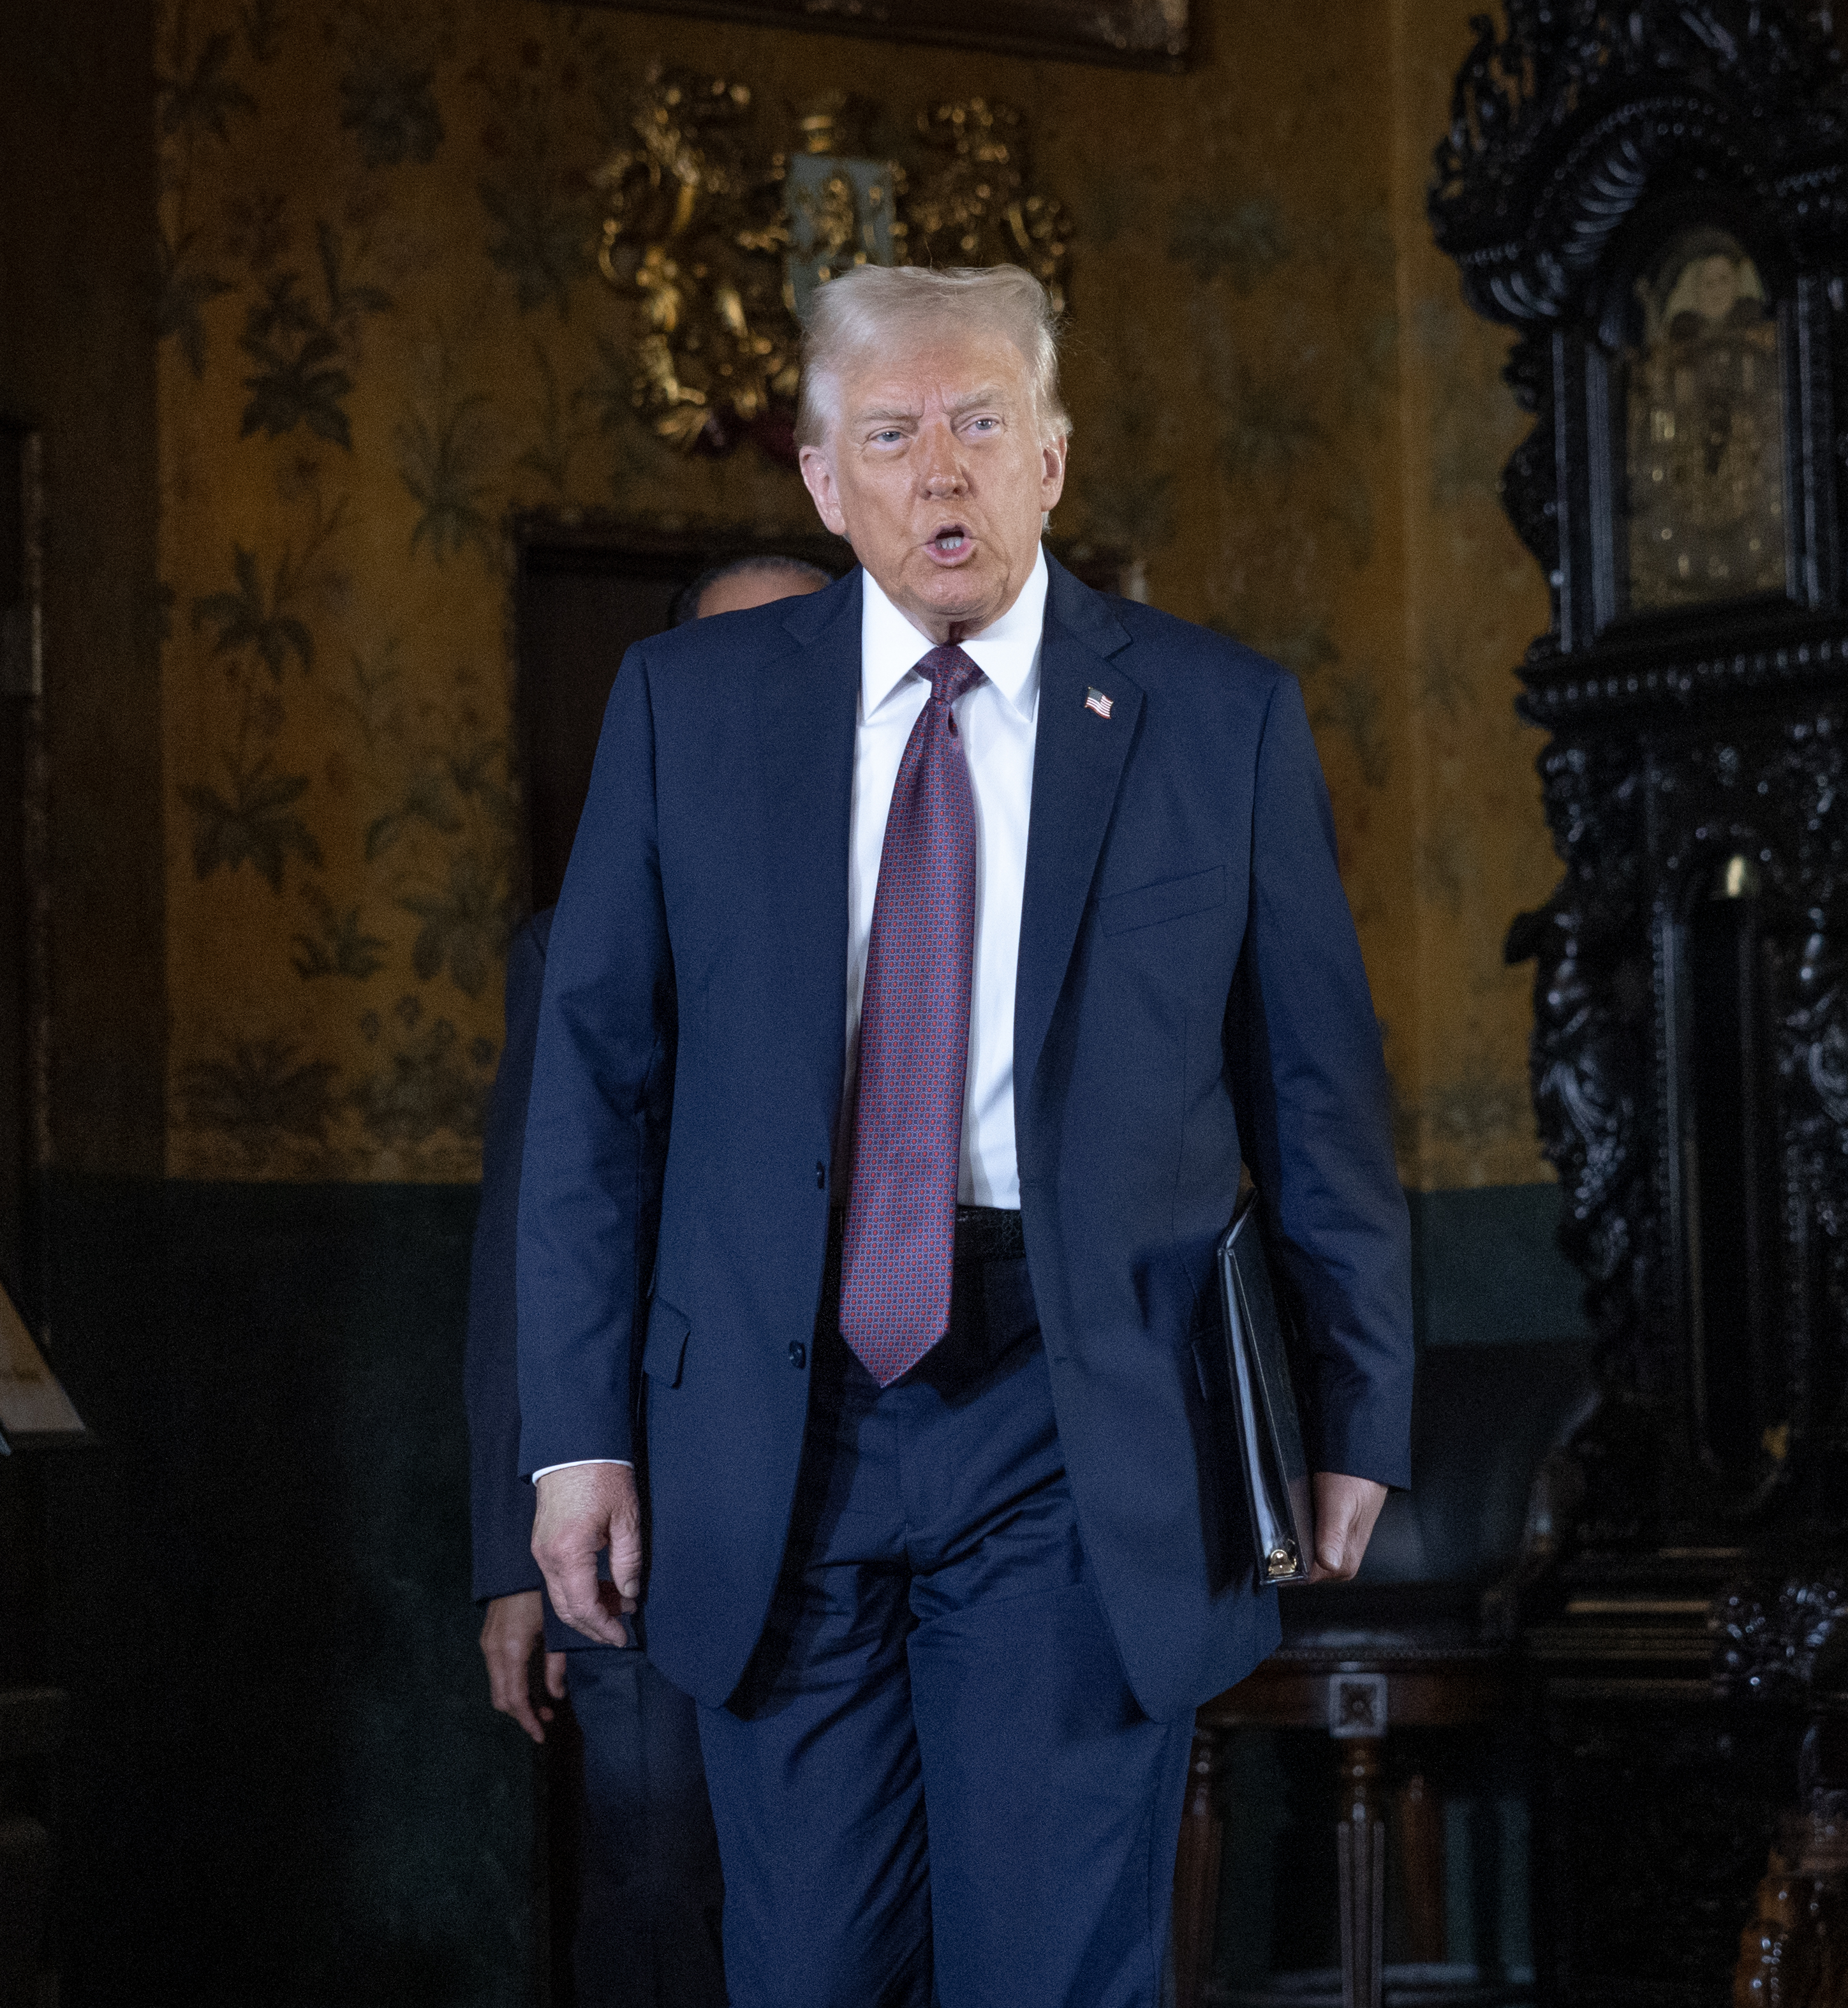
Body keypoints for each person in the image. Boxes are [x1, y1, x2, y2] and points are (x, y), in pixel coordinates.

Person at [518, 264, 1414, 2006]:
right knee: (812, 1970)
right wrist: (573, 1437)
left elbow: (1319, 1084)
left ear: (1054, 459)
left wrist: (1356, 1408)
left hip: (1074, 1415)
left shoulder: (1214, 715)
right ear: (821, 476)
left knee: (1051, 1968)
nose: (944, 471)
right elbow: (592, 1086)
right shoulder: (685, 710)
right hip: (778, 1424)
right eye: (897, 434)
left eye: (983, 425)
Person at [468, 553, 832, 2008]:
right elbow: (526, 1238)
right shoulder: (575, 945)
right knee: (653, 1885)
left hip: (866, 1502)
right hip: (633, 1522)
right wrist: (512, 1552)